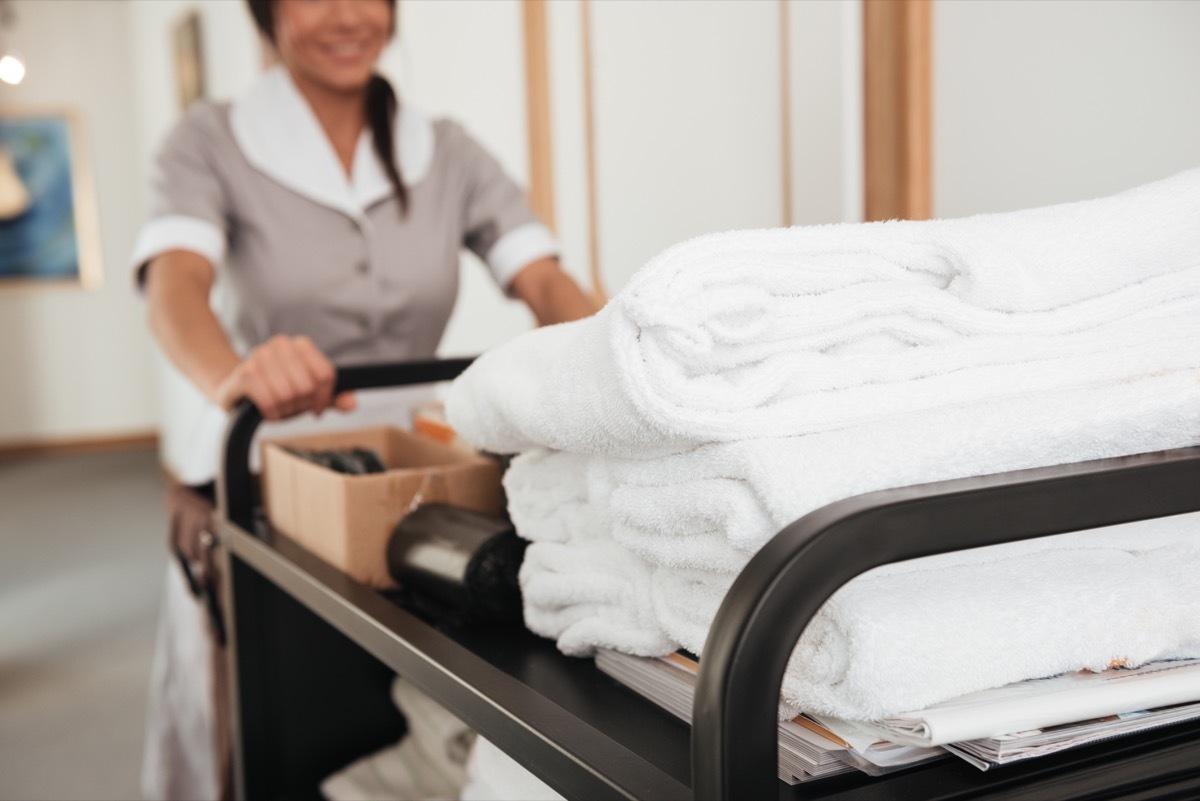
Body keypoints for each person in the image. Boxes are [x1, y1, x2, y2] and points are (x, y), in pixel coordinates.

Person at [132, 1, 595, 798]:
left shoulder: (446, 151)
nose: (348, 16)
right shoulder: (210, 139)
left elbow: (545, 277)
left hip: (418, 477)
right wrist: (231, 374)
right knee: (276, 725)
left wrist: (619, 361)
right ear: (266, 12)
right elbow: (175, 281)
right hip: (269, 477)